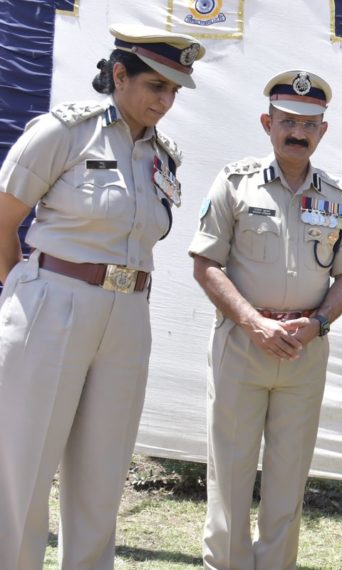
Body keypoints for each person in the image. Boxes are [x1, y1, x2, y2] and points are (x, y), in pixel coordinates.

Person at [0, 23, 204, 569]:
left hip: (128, 313)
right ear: (119, 74)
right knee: (24, 467)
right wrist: (23, 287)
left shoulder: (164, 154)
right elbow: (3, 219)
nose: (166, 100)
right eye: (156, 86)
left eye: (174, 90)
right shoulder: (65, 132)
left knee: (103, 472)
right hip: (53, 301)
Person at [188, 69, 342, 569]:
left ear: (322, 131)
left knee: (289, 480)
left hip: (305, 351)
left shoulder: (340, 196)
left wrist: (318, 325)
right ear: (268, 124)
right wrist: (253, 323)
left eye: (309, 124)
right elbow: (205, 265)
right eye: (287, 121)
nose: (297, 132)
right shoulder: (235, 182)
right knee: (230, 475)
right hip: (243, 345)